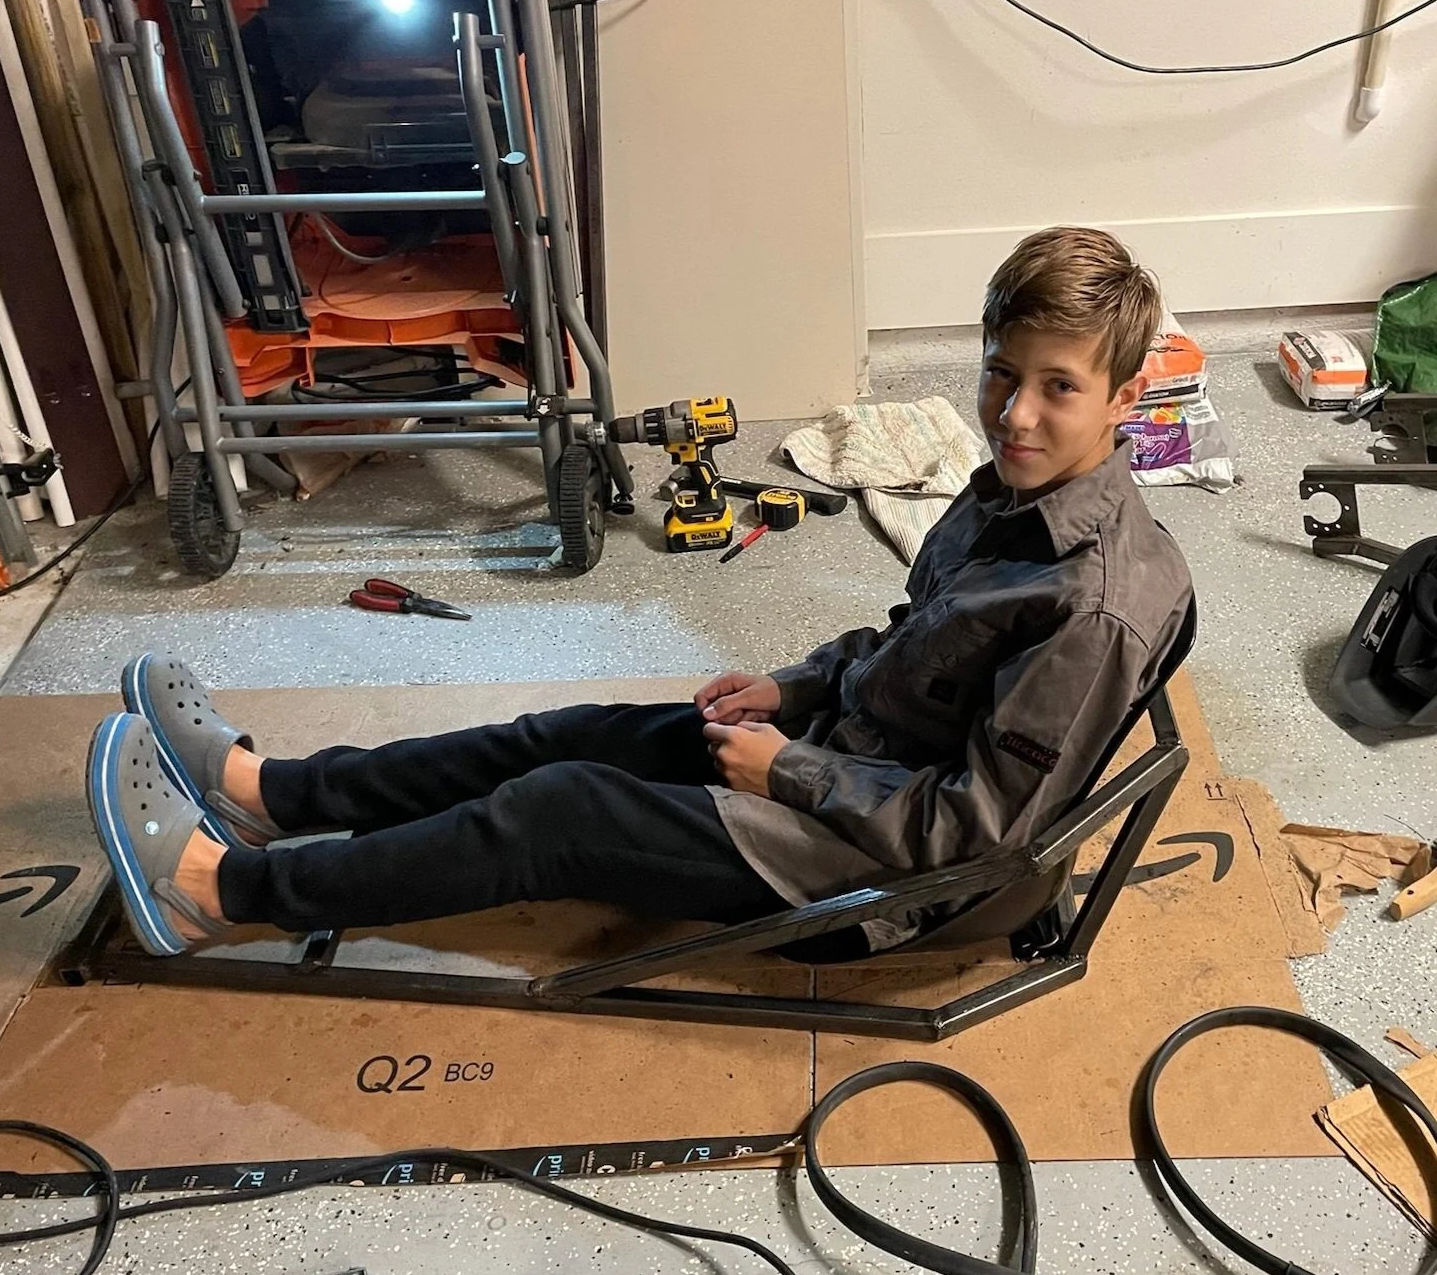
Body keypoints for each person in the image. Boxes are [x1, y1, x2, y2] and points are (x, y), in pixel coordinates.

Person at [86, 226, 1193, 958]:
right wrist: (797, 690)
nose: (1014, 415)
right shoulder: (1014, 492)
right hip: (848, 763)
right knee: (563, 736)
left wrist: (790, 770)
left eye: (1058, 388)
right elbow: (918, 644)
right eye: (1002, 372)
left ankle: (221, 894)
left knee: (556, 812)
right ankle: (271, 792)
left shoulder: (1088, 606)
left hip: (868, 877)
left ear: (1126, 397)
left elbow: (975, 834)